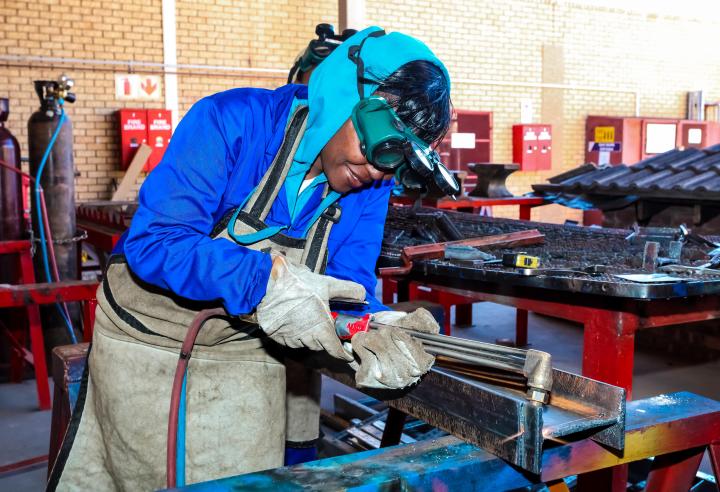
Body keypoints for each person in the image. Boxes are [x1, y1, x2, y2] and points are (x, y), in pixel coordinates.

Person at [49, 26, 453, 490]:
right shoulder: (230, 122)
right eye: (378, 148)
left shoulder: (371, 186)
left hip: (246, 350)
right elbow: (157, 240)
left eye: (397, 162)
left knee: (243, 480)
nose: (381, 170)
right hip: (149, 341)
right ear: (344, 99)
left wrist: (373, 327)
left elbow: (348, 284)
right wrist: (265, 280)